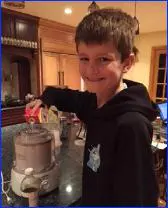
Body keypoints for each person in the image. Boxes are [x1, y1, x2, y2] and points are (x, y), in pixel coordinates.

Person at [26, 8, 159, 206]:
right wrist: (45, 97)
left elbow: (139, 197)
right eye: (84, 58)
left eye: (103, 59)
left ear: (127, 62)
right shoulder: (95, 102)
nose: (90, 70)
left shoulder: (131, 125)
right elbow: (66, 96)